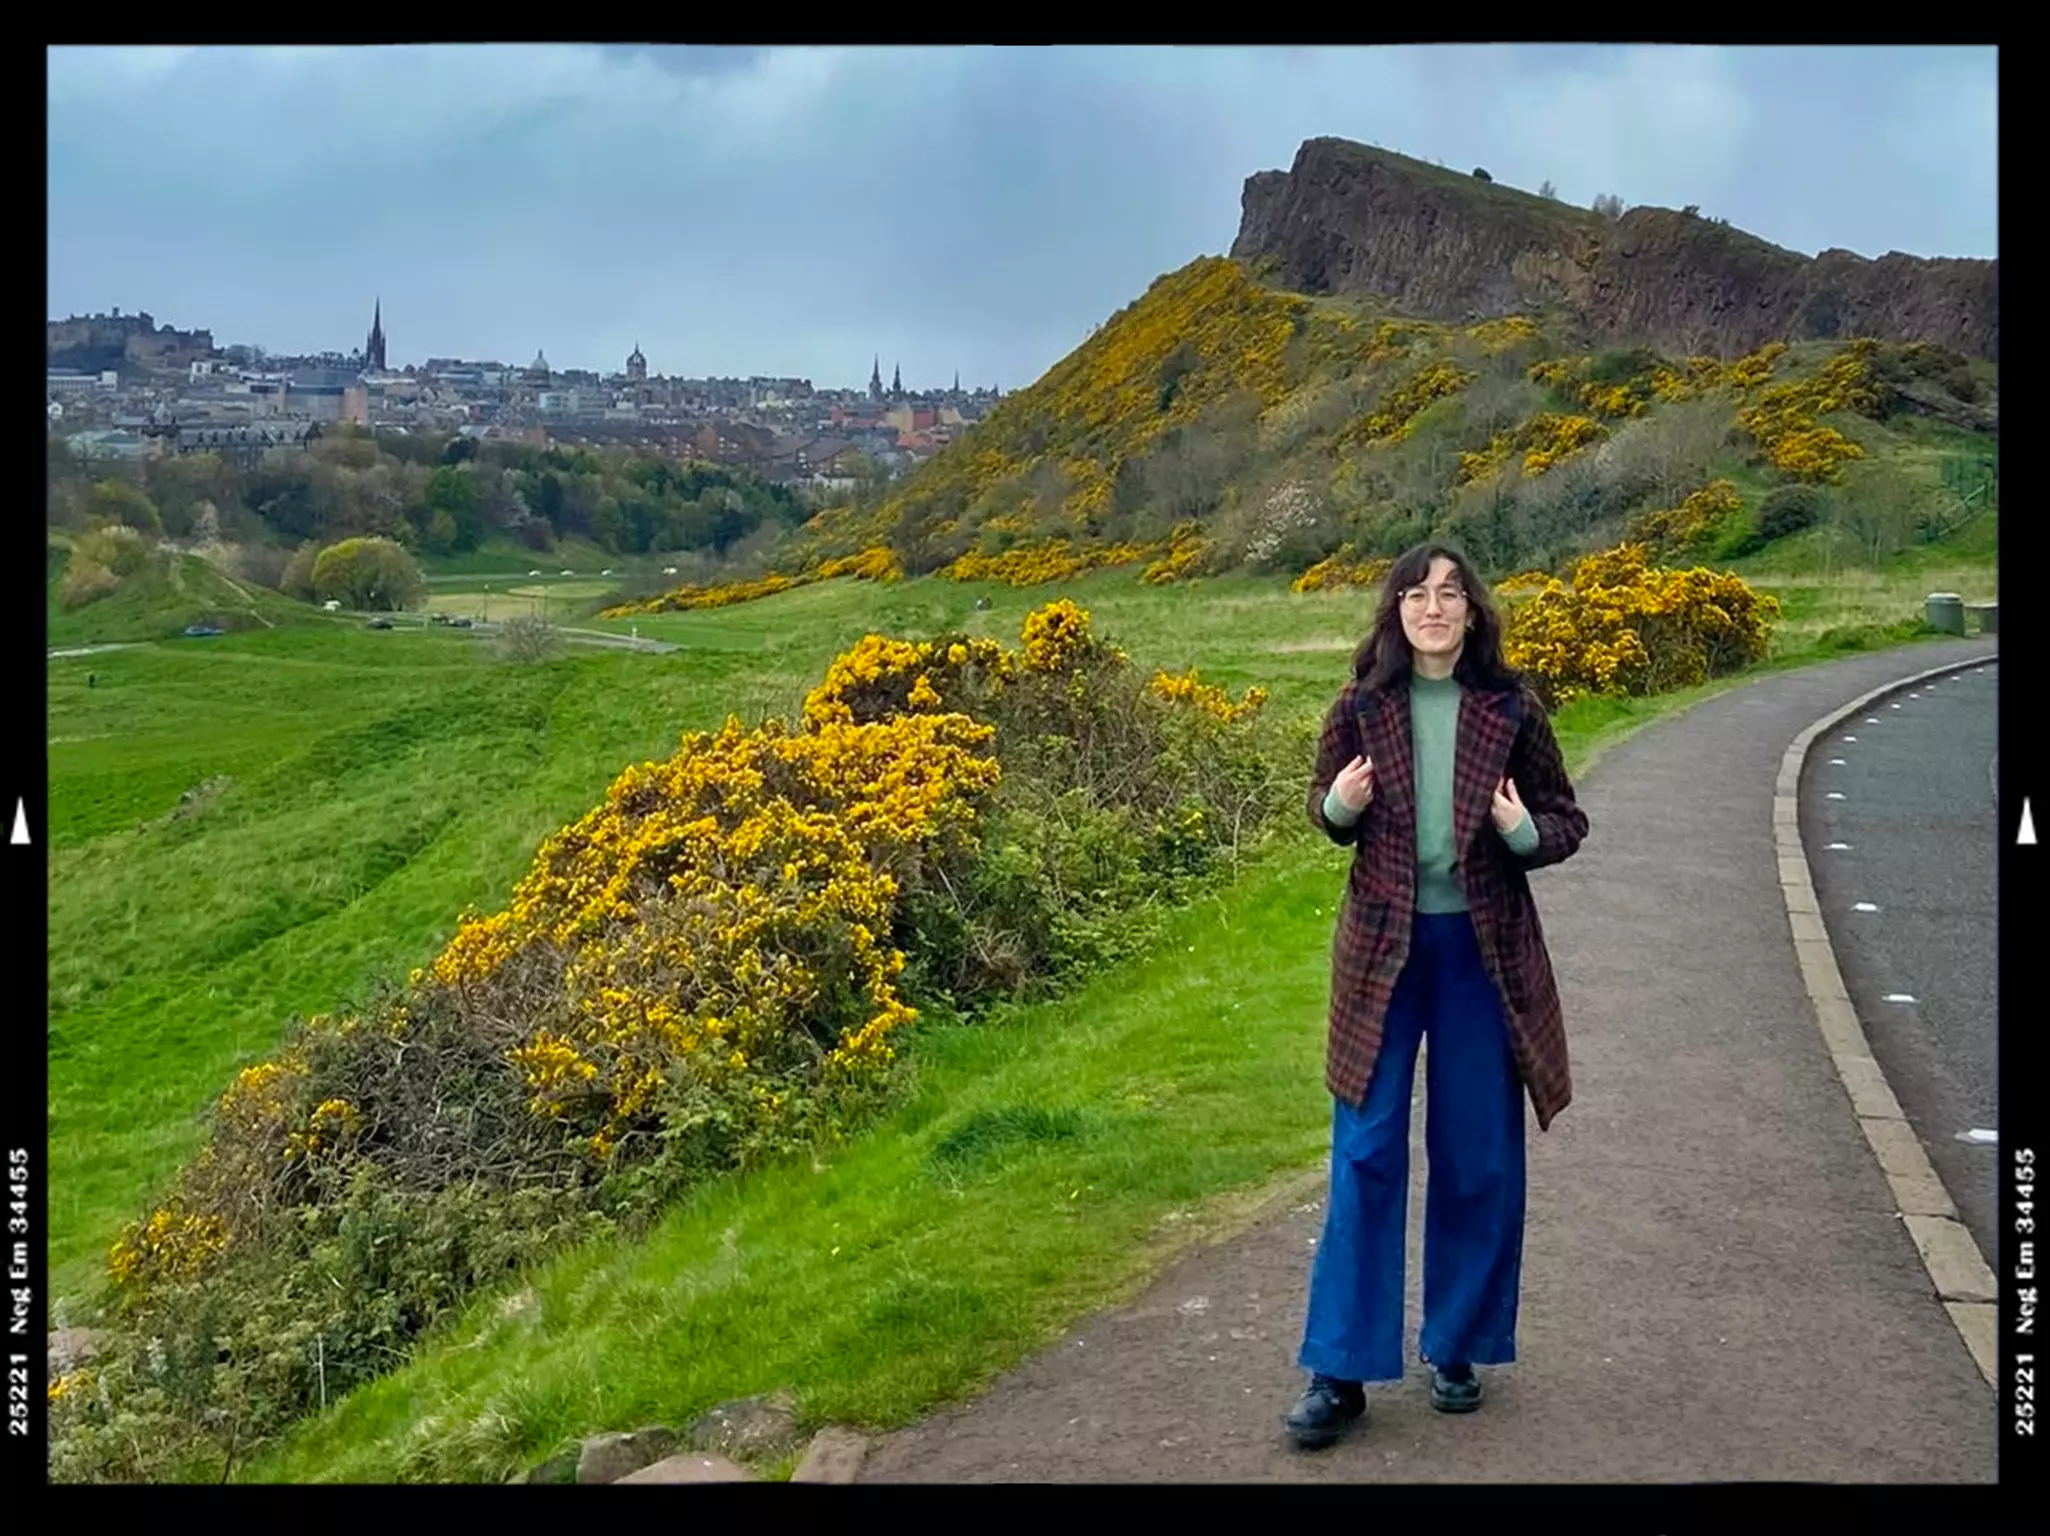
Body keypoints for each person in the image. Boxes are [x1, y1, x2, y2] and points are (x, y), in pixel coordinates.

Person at [1286, 540, 1588, 1450]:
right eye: (1417, 594)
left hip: (1481, 953)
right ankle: (1338, 1370)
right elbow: (1322, 813)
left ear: (1471, 612)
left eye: (1450, 594)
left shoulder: (1511, 709)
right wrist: (1339, 805)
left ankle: (1455, 1344)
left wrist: (1525, 830)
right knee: (1366, 1152)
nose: (1433, 607)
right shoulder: (1361, 705)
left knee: (1476, 1154)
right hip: (1382, 952)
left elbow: (1568, 820)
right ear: (1397, 611)